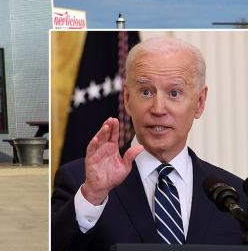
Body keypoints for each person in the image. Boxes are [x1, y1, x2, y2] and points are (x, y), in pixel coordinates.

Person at [51, 37, 247, 250]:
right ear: (127, 98)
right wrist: (92, 196)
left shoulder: (235, 195)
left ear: (199, 102)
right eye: (146, 92)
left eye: (174, 93)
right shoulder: (80, 182)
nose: (158, 109)